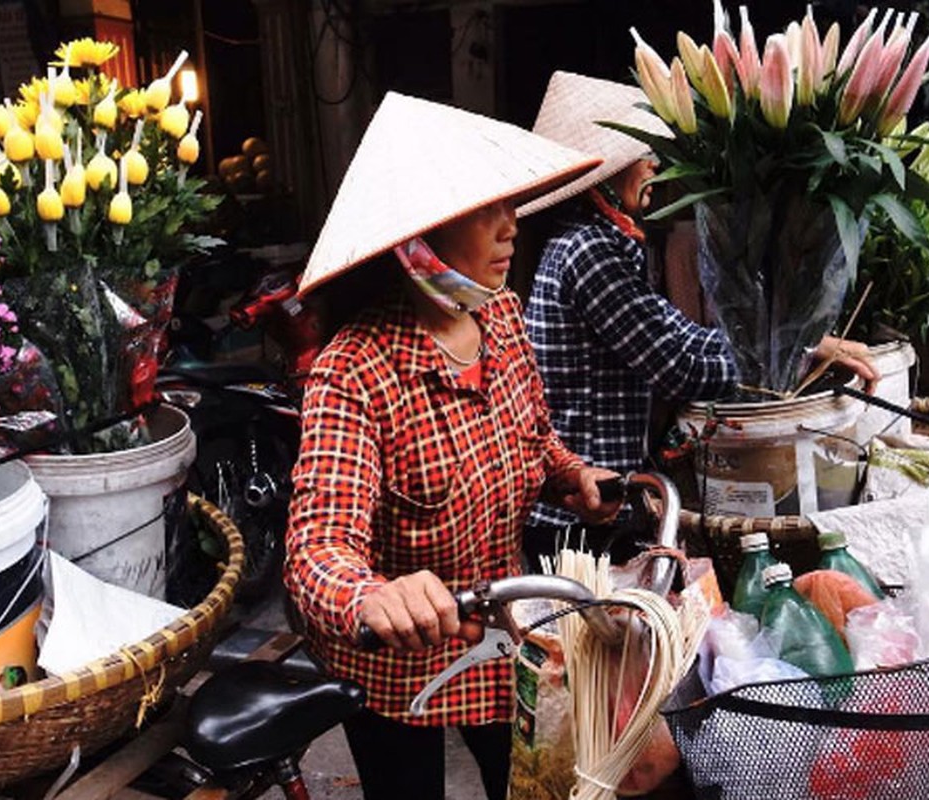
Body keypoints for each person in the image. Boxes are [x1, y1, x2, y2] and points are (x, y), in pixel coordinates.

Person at [285, 92, 620, 800]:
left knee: (532, 786)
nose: (511, 229)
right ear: (422, 233)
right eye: (486, 211)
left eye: (511, 206)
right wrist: (371, 597)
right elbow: (317, 547)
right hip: (395, 668)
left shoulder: (500, 314)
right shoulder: (354, 369)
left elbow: (532, 433)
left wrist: (571, 474)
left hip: (504, 634)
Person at [520, 72, 877, 562]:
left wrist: (797, 344)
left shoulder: (608, 242)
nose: (653, 165)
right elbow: (681, 363)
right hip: (580, 520)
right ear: (601, 173)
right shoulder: (589, 250)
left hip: (604, 505)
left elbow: (681, 334)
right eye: (639, 157)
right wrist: (800, 349)